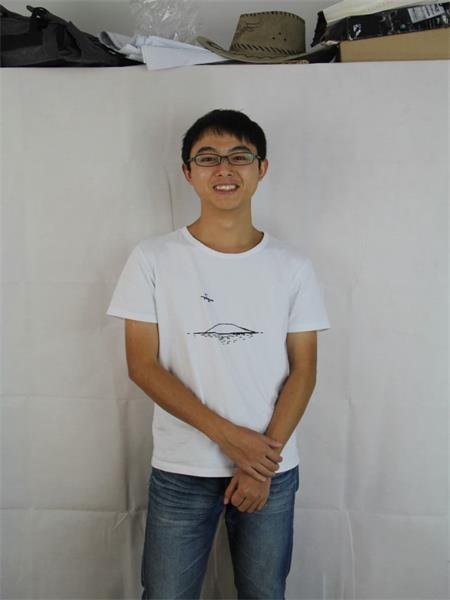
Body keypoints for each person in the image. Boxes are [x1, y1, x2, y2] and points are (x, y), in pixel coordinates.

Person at [106, 109, 330, 599]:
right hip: (182, 467)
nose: (224, 169)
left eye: (239, 157)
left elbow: (304, 370)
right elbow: (142, 365)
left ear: (261, 168)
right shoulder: (152, 258)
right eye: (207, 158)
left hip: (271, 467)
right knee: (165, 594)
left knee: (264, 592)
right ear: (187, 172)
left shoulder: (292, 265)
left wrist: (260, 462)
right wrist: (234, 441)